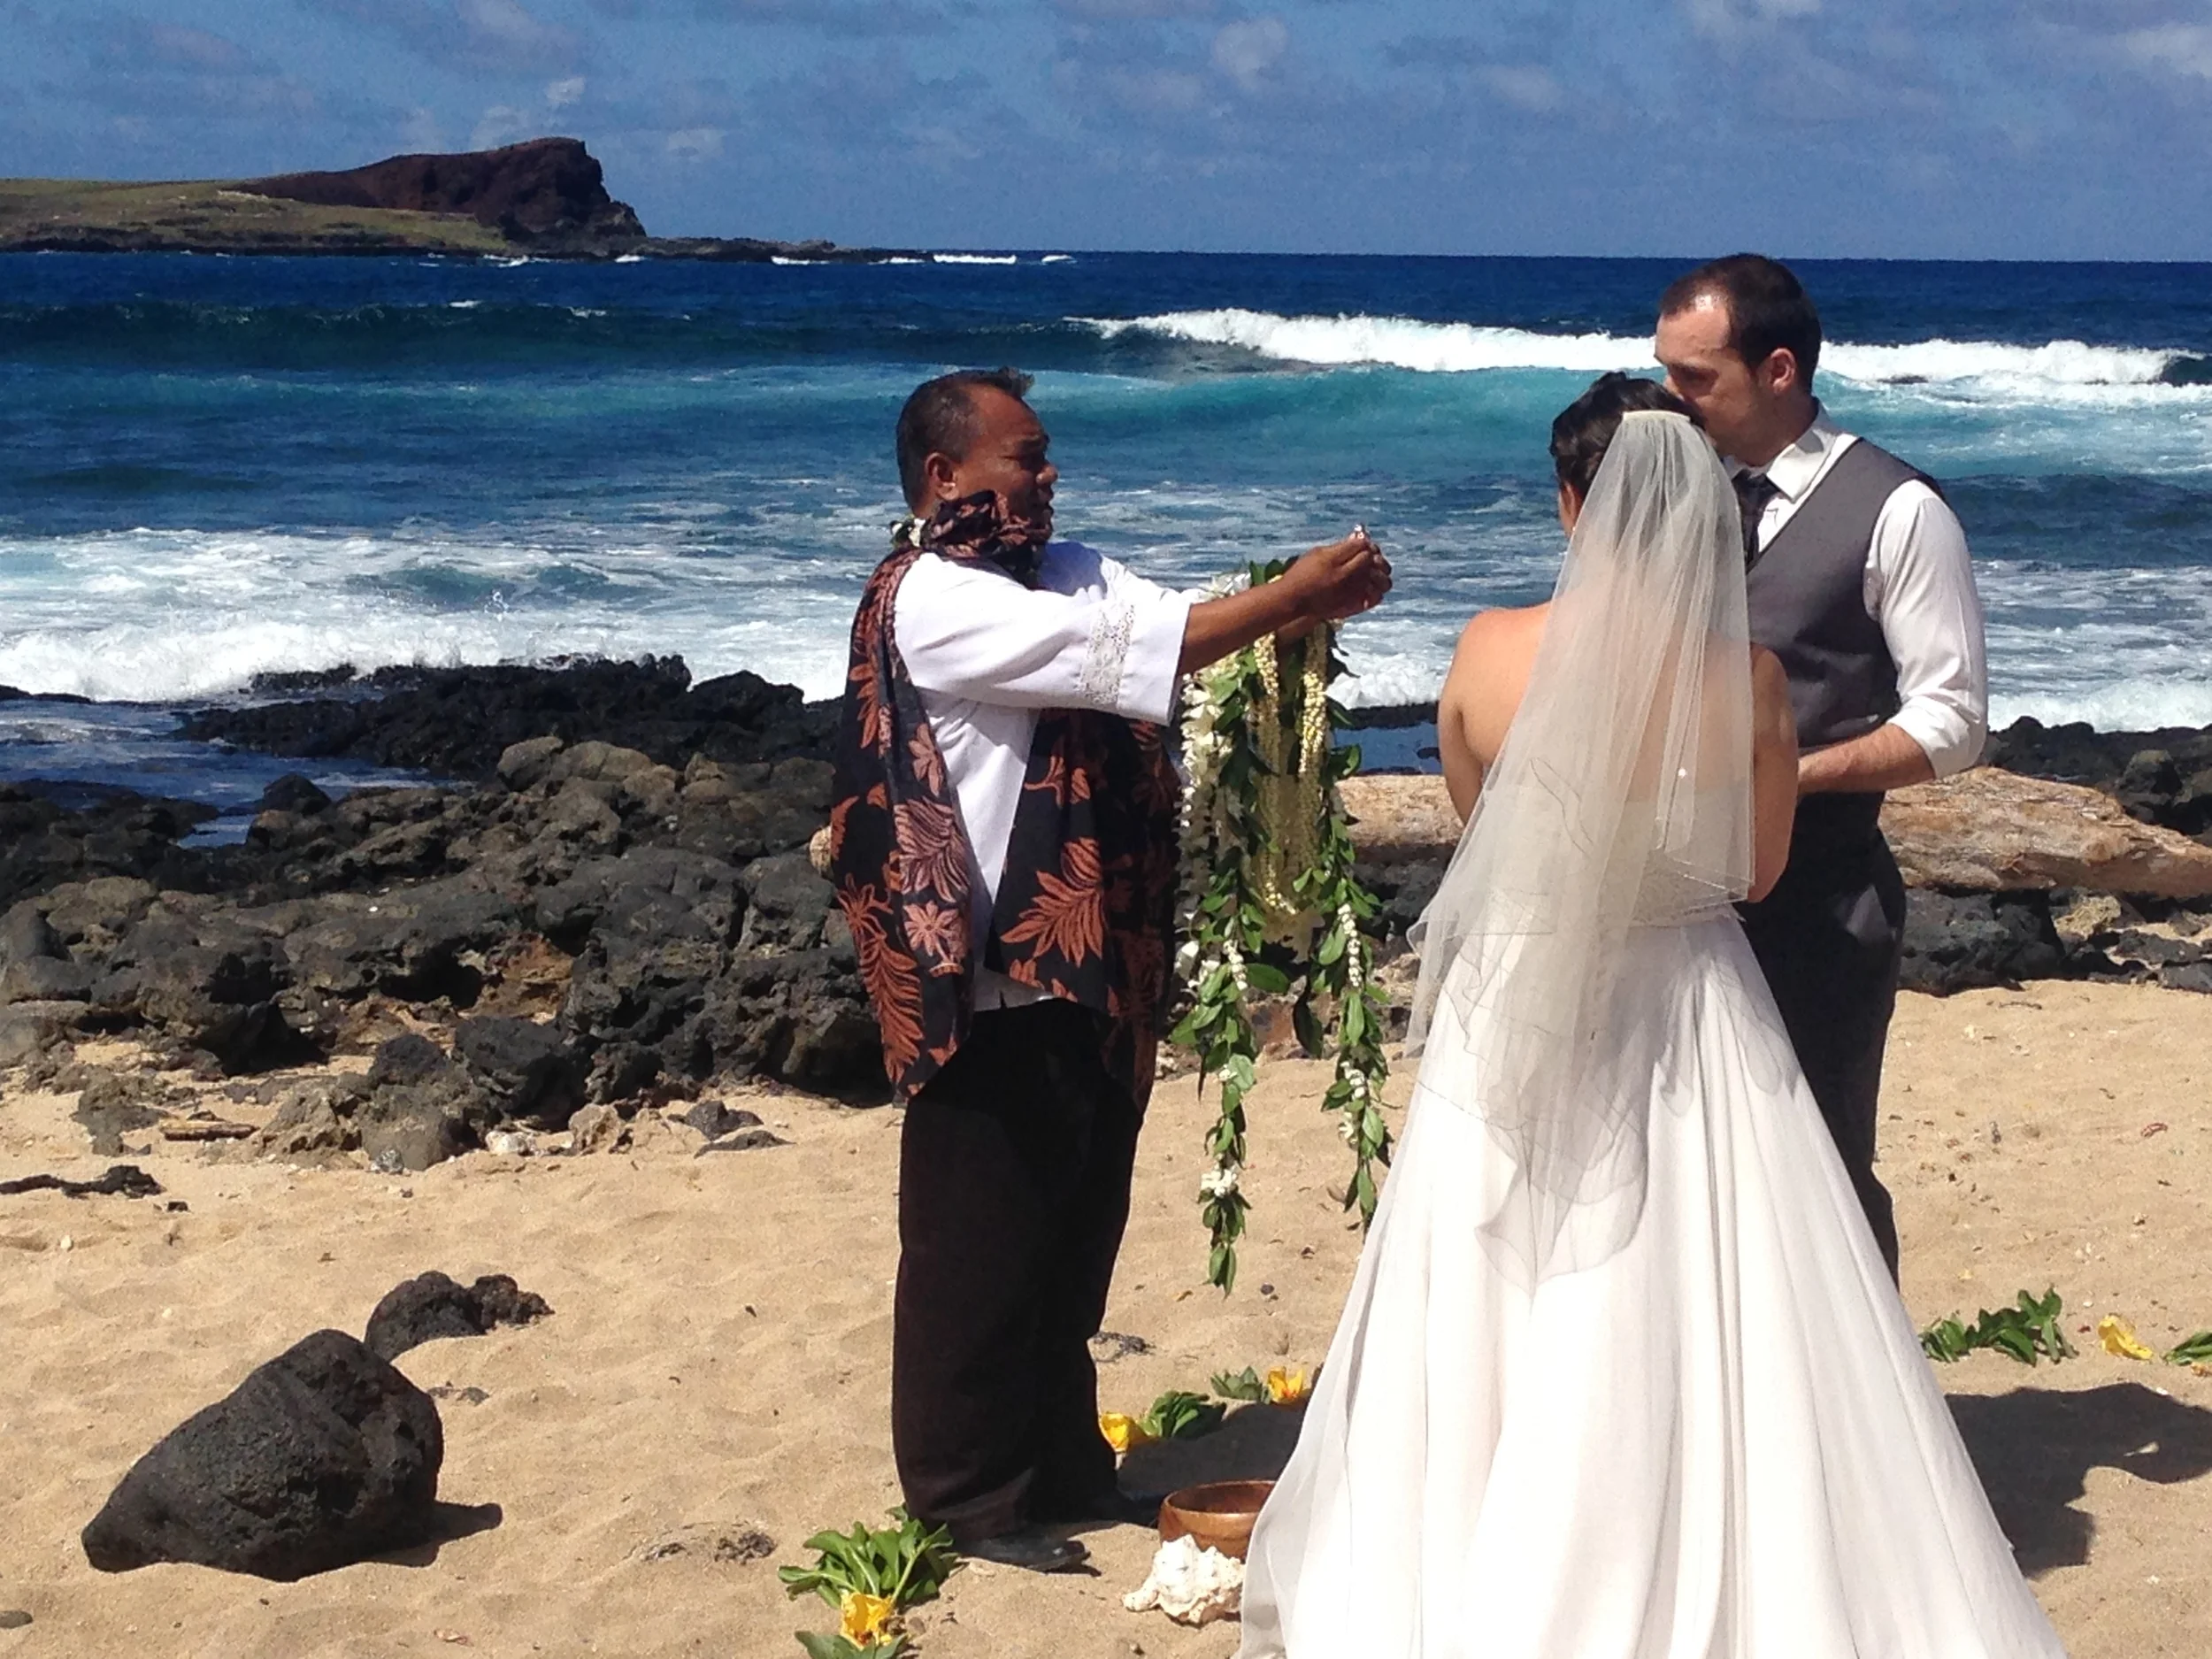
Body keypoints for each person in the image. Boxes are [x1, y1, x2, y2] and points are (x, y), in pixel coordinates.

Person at [1238, 382, 2065, 1657]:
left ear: (1574, 505)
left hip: (1518, 993)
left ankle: (1472, 1551)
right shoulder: (1749, 680)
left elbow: (1480, 820)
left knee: (1489, 1267)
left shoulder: (1486, 649)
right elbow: (1759, 872)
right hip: (1688, 998)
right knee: (1698, 1275)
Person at [829, 367, 1390, 1573]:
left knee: (1071, 1227)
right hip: (983, 966)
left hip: (1088, 960)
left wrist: (1295, 608)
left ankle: (1063, 1467)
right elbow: (1123, 656)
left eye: (1045, 455)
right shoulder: (933, 597)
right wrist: (1289, 596)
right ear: (945, 476)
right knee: (975, 1245)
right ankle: (966, 1498)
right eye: (1024, 456)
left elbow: (1175, 626)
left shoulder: (1070, 568)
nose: (1048, 475)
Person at [1655, 254, 1987, 1278]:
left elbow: (1952, 722)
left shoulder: (1898, 510)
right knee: (1687, 1174)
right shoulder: (1677, 496)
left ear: (1779, 370)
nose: (1671, 397)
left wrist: (1789, 777)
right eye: (1665, 371)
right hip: (1673, 902)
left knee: (1824, 1171)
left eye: (1694, 376)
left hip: (1822, 903)